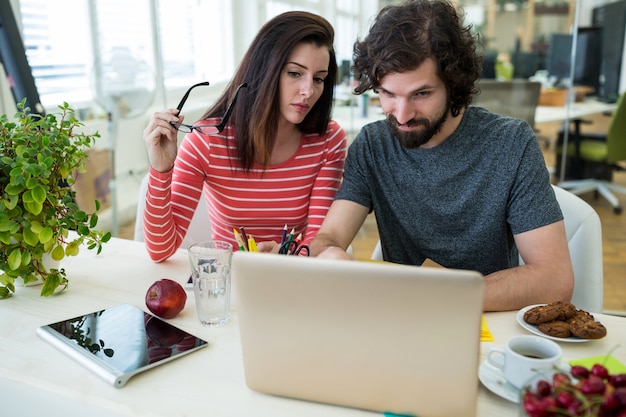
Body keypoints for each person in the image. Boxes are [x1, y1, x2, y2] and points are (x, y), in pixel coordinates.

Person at [309, 0, 574, 312]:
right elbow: (327, 238)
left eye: (421, 94)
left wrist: (432, 298)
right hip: (404, 322)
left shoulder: (511, 144)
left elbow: (554, 278)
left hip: (482, 321)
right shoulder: (372, 145)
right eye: (388, 94)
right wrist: (329, 254)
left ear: (454, 82)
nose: (403, 115)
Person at [142, 11, 346, 262]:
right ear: (264, 70)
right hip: (230, 281)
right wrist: (161, 171)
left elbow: (318, 241)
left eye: (319, 79)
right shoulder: (206, 142)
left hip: (297, 273)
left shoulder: (328, 140)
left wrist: (284, 258)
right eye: (295, 73)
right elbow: (160, 250)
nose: (308, 90)